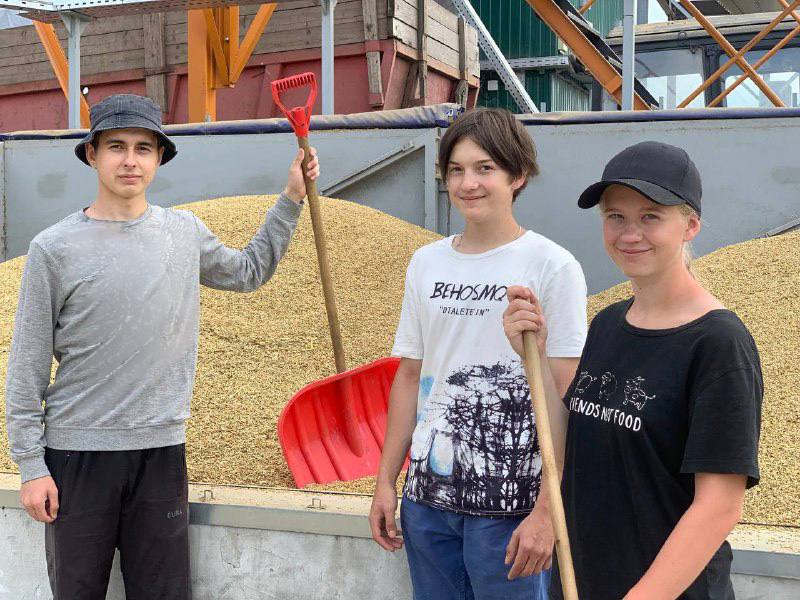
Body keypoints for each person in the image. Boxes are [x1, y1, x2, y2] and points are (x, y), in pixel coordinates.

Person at [5, 93, 320, 599]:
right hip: (77, 456)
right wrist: (31, 466)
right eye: (116, 147)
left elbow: (248, 272)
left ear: (158, 158)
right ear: (92, 154)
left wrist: (291, 198)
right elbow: (28, 364)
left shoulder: (183, 233)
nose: (130, 160)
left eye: (143, 148)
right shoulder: (53, 248)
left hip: (160, 453)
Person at [502, 141, 762, 599]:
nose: (629, 233)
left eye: (650, 216)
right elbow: (569, 442)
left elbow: (719, 507)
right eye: (615, 216)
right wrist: (535, 359)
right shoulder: (608, 324)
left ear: (690, 226)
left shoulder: (718, 344)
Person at [368, 107, 588, 600]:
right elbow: (410, 376)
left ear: (518, 175)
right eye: (456, 170)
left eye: (485, 168)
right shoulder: (426, 263)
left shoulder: (552, 266)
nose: (468, 183)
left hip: (512, 504)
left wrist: (547, 513)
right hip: (428, 497)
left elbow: (566, 391)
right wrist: (386, 481)